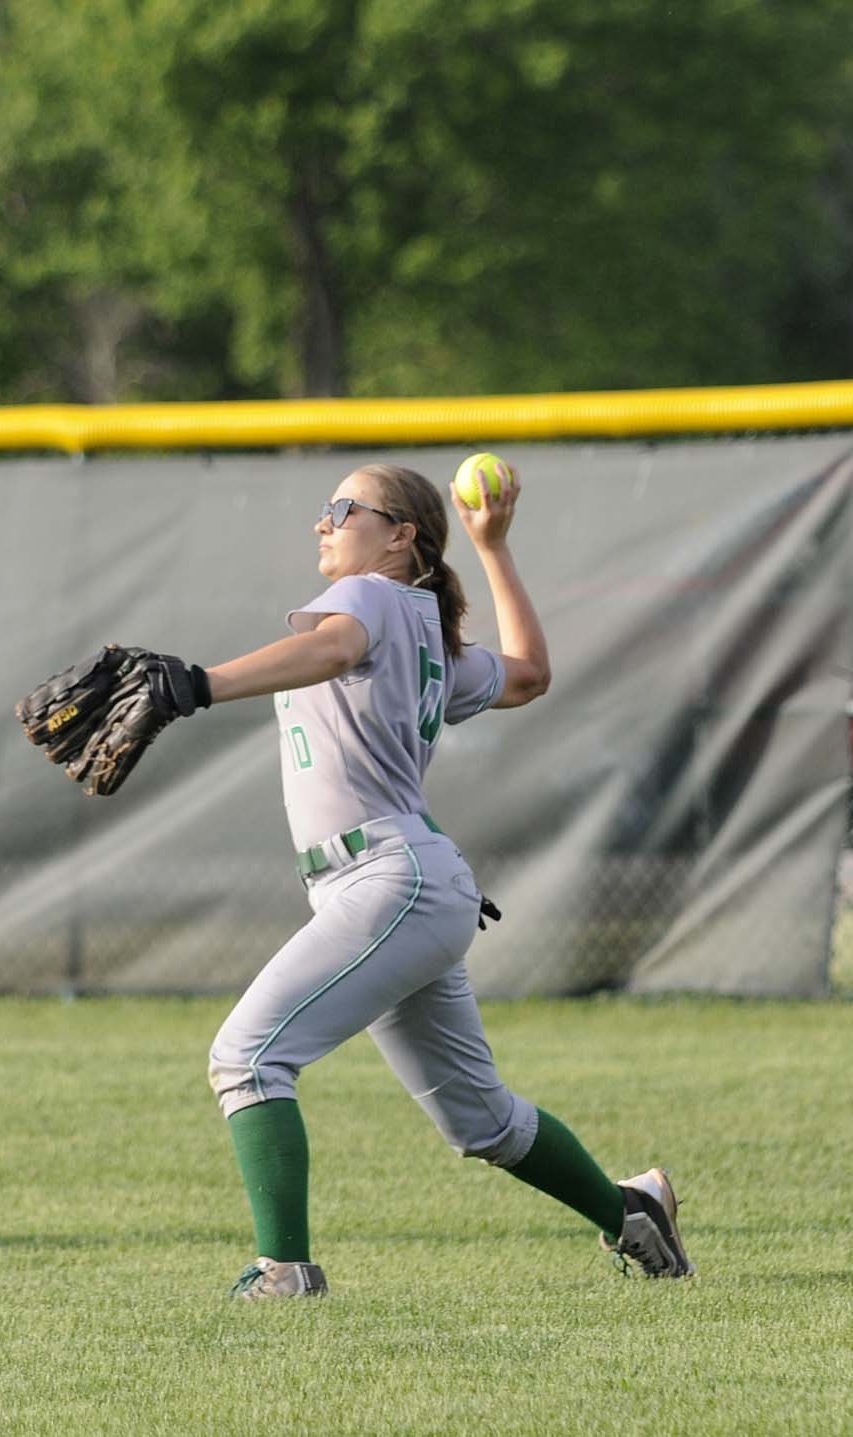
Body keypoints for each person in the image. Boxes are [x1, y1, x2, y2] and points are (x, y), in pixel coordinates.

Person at [177, 461, 692, 1298]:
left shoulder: (374, 600)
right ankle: (631, 1207)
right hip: (404, 881)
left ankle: (285, 1271)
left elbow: (332, 646)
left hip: (388, 877)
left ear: (399, 534)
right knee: (482, 1122)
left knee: (248, 1057)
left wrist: (201, 685)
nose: (323, 522)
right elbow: (528, 674)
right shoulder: (422, 626)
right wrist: (495, 547)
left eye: (342, 508)